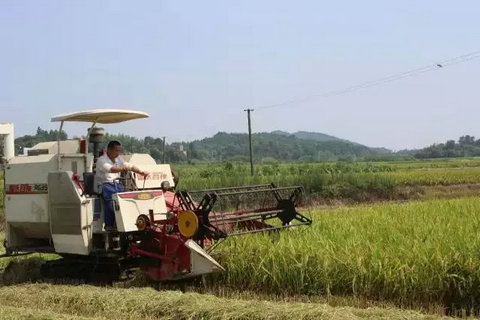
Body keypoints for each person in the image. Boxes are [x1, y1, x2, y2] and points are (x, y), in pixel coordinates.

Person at [96, 140, 149, 231]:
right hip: (105, 185)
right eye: (116, 150)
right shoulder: (101, 160)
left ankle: (125, 222)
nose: (118, 153)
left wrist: (141, 172)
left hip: (117, 184)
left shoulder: (119, 159)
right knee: (112, 202)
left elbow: (130, 166)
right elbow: (112, 169)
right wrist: (122, 168)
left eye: (119, 151)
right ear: (109, 150)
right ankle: (109, 225)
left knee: (125, 201)